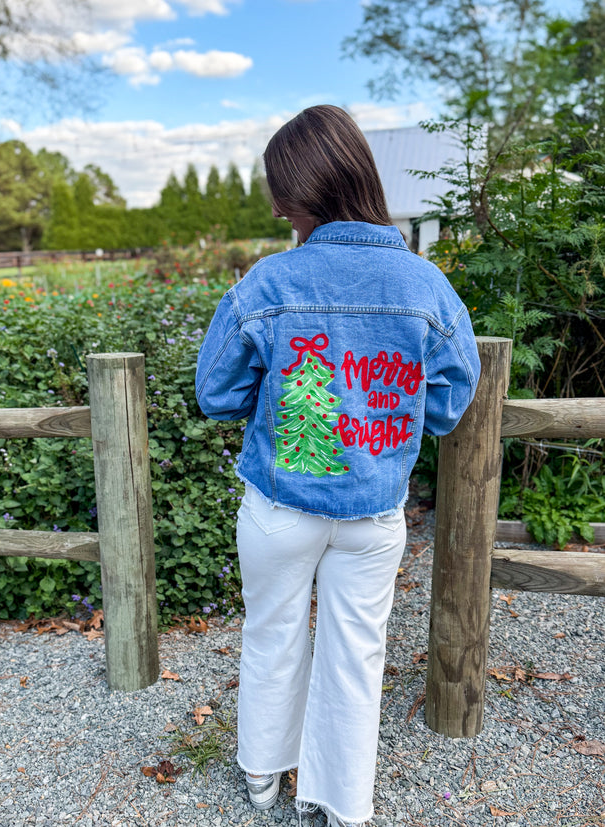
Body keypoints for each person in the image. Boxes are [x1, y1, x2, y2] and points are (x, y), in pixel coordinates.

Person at [195, 105, 481, 827]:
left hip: (280, 507)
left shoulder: (268, 282)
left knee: (272, 632)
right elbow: (451, 398)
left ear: (301, 194)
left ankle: (263, 774)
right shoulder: (426, 285)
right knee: (357, 652)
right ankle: (342, 802)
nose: (272, 205)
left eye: (277, 191)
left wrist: (285, 393)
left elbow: (217, 393)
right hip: (374, 511)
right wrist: (401, 421)